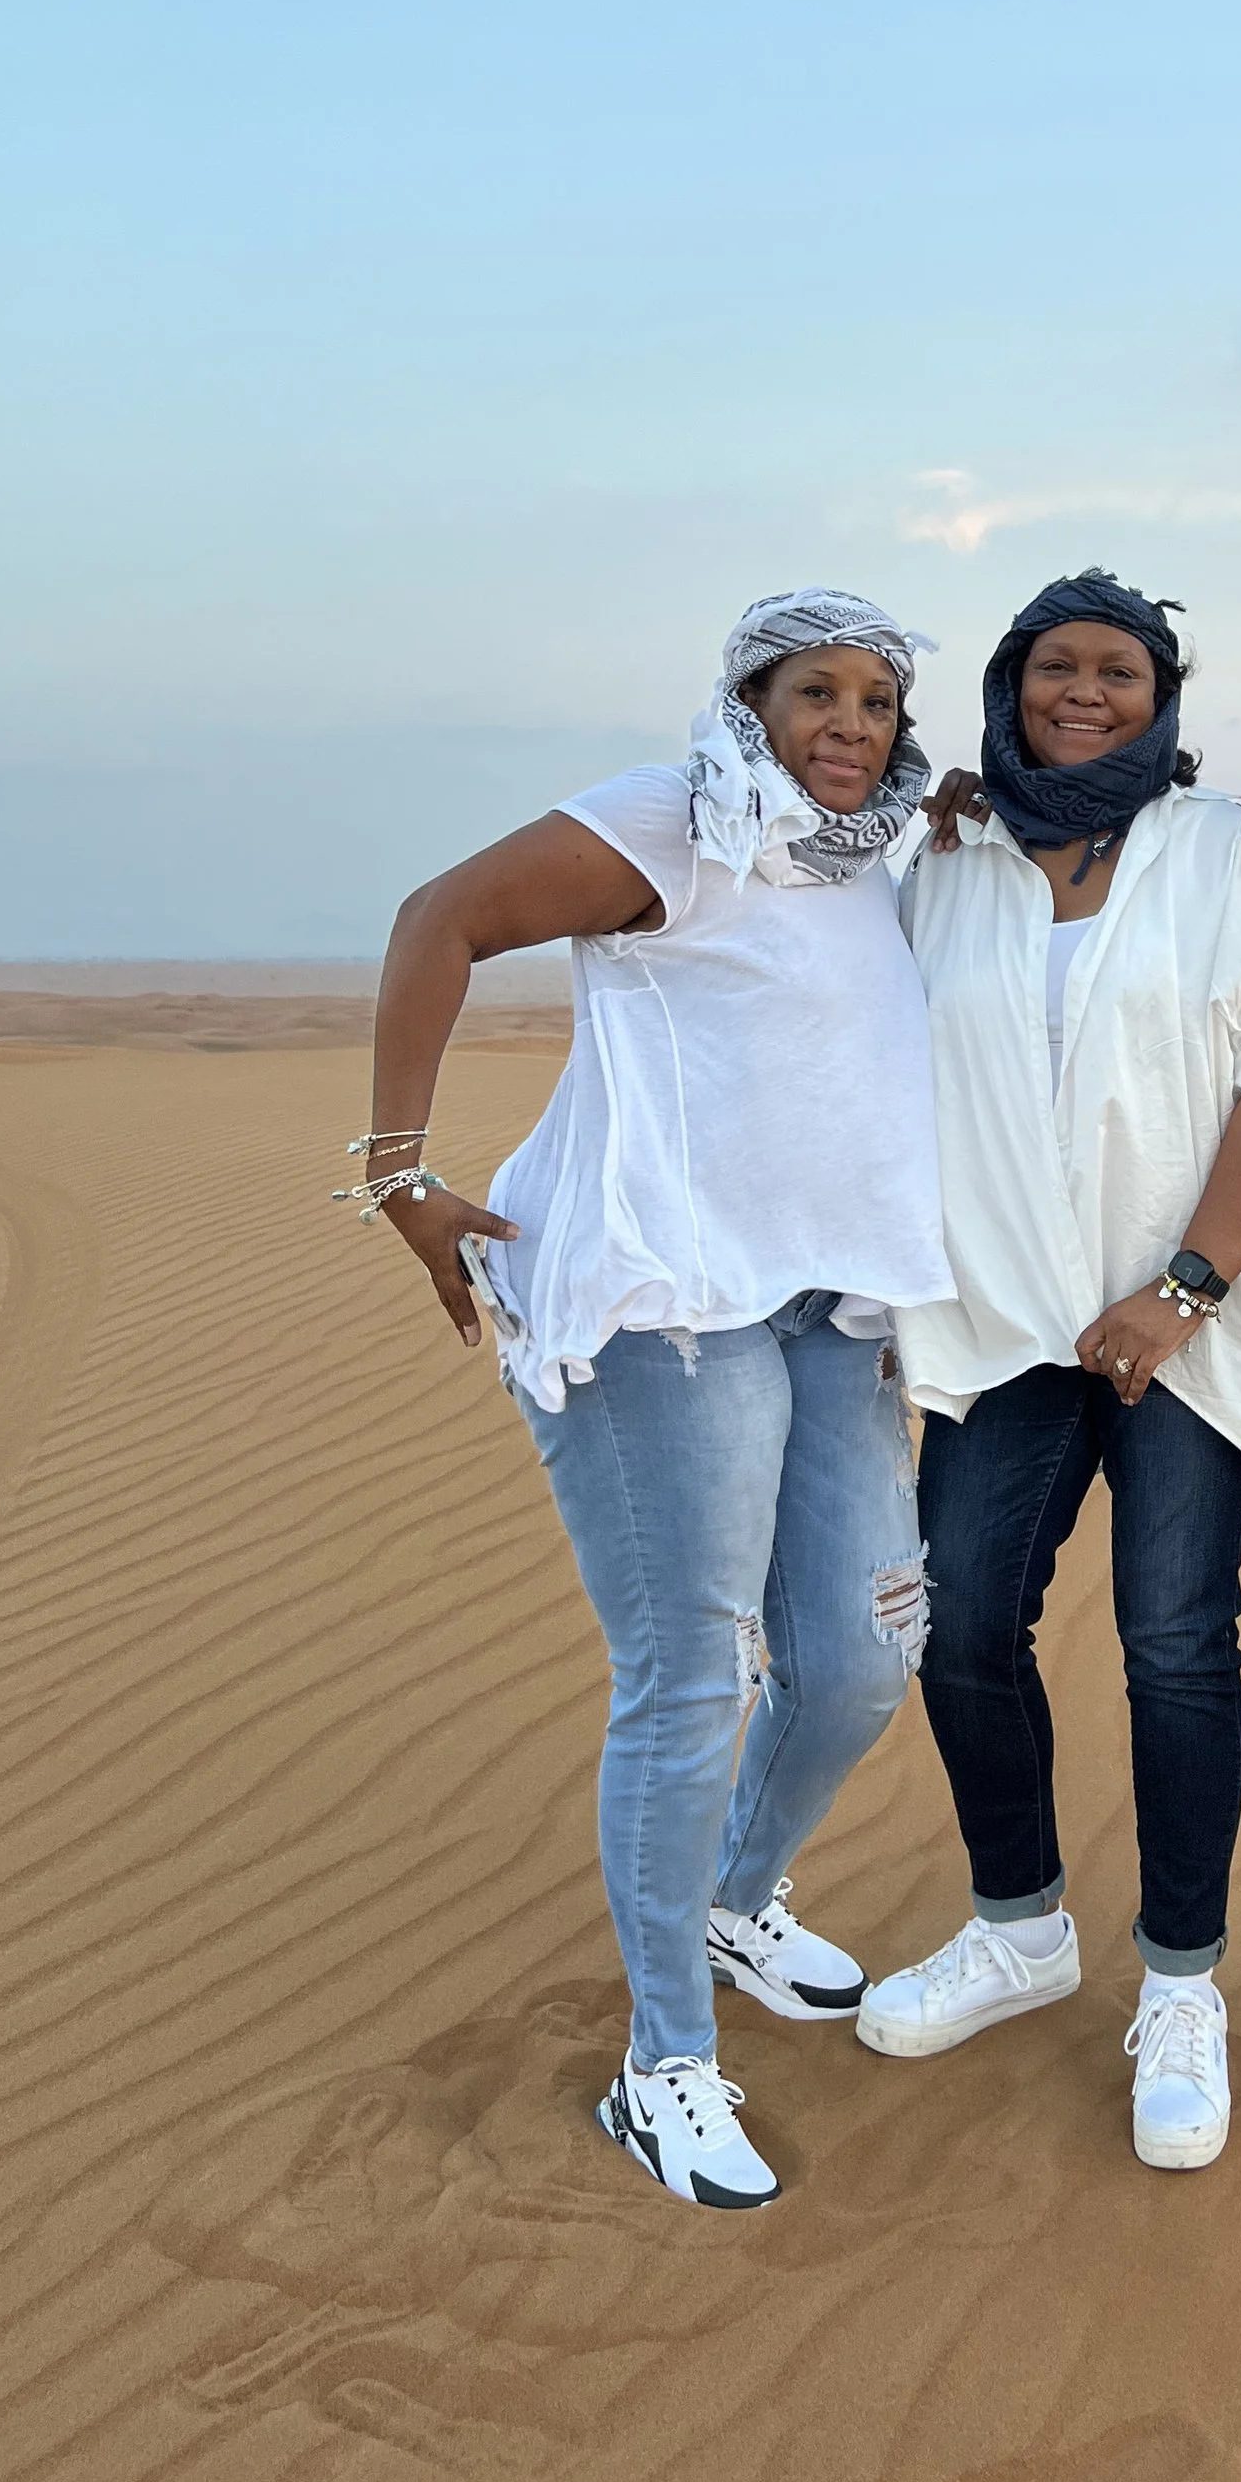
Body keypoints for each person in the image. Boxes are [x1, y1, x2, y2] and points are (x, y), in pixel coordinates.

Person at [351, 590, 952, 2211]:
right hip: (658, 1304)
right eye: (812, 693)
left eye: (877, 702)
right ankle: (663, 2065)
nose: (848, 725)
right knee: (697, 1674)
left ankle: (734, 1895)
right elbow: (439, 917)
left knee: (859, 1655)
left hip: (825, 1306)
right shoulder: (678, 817)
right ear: (748, 704)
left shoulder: (874, 855)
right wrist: (397, 1169)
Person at [853, 571, 1241, 2174]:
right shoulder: (953, 861)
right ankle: (1019, 1927)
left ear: (1162, 696)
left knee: (1175, 1644)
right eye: (1055, 666)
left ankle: (1182, 1988)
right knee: (963, 1624)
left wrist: (1183, 1285)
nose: (1086, 691)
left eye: (1118, 671)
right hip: (1007, 1328)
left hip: (1181, 1330)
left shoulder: (1215, 855)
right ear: (1008, 685)